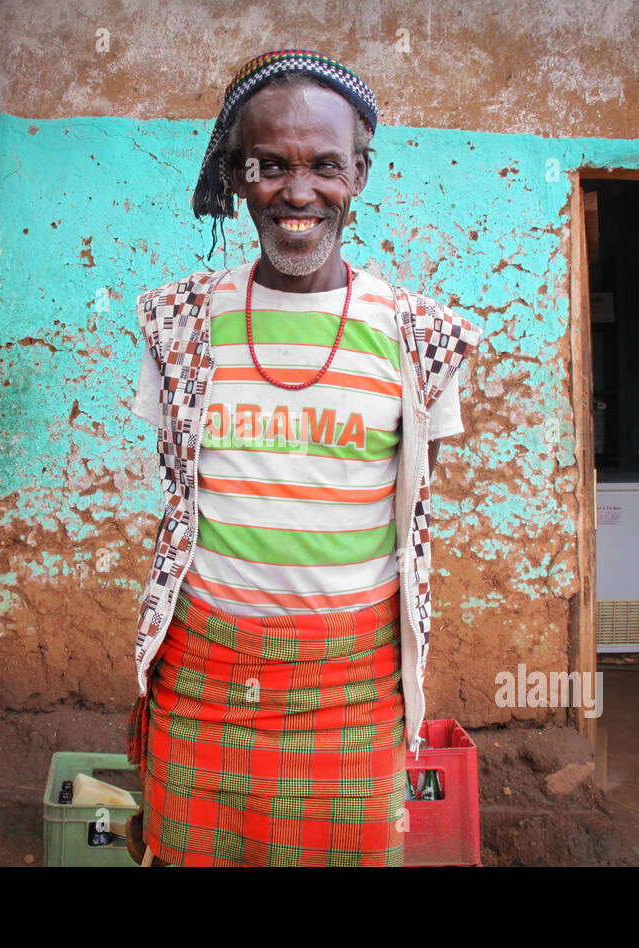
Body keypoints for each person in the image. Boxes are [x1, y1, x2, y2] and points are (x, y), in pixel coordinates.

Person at [124, 49, 483, 866]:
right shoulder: (178, 325)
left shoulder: (420, 340)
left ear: (359, 172)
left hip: (352, 682)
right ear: (236, 174)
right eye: (269, 165)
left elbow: (412, 518)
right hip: (204, 666)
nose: (298, 191)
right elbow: (181, 496)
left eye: (325, 165)